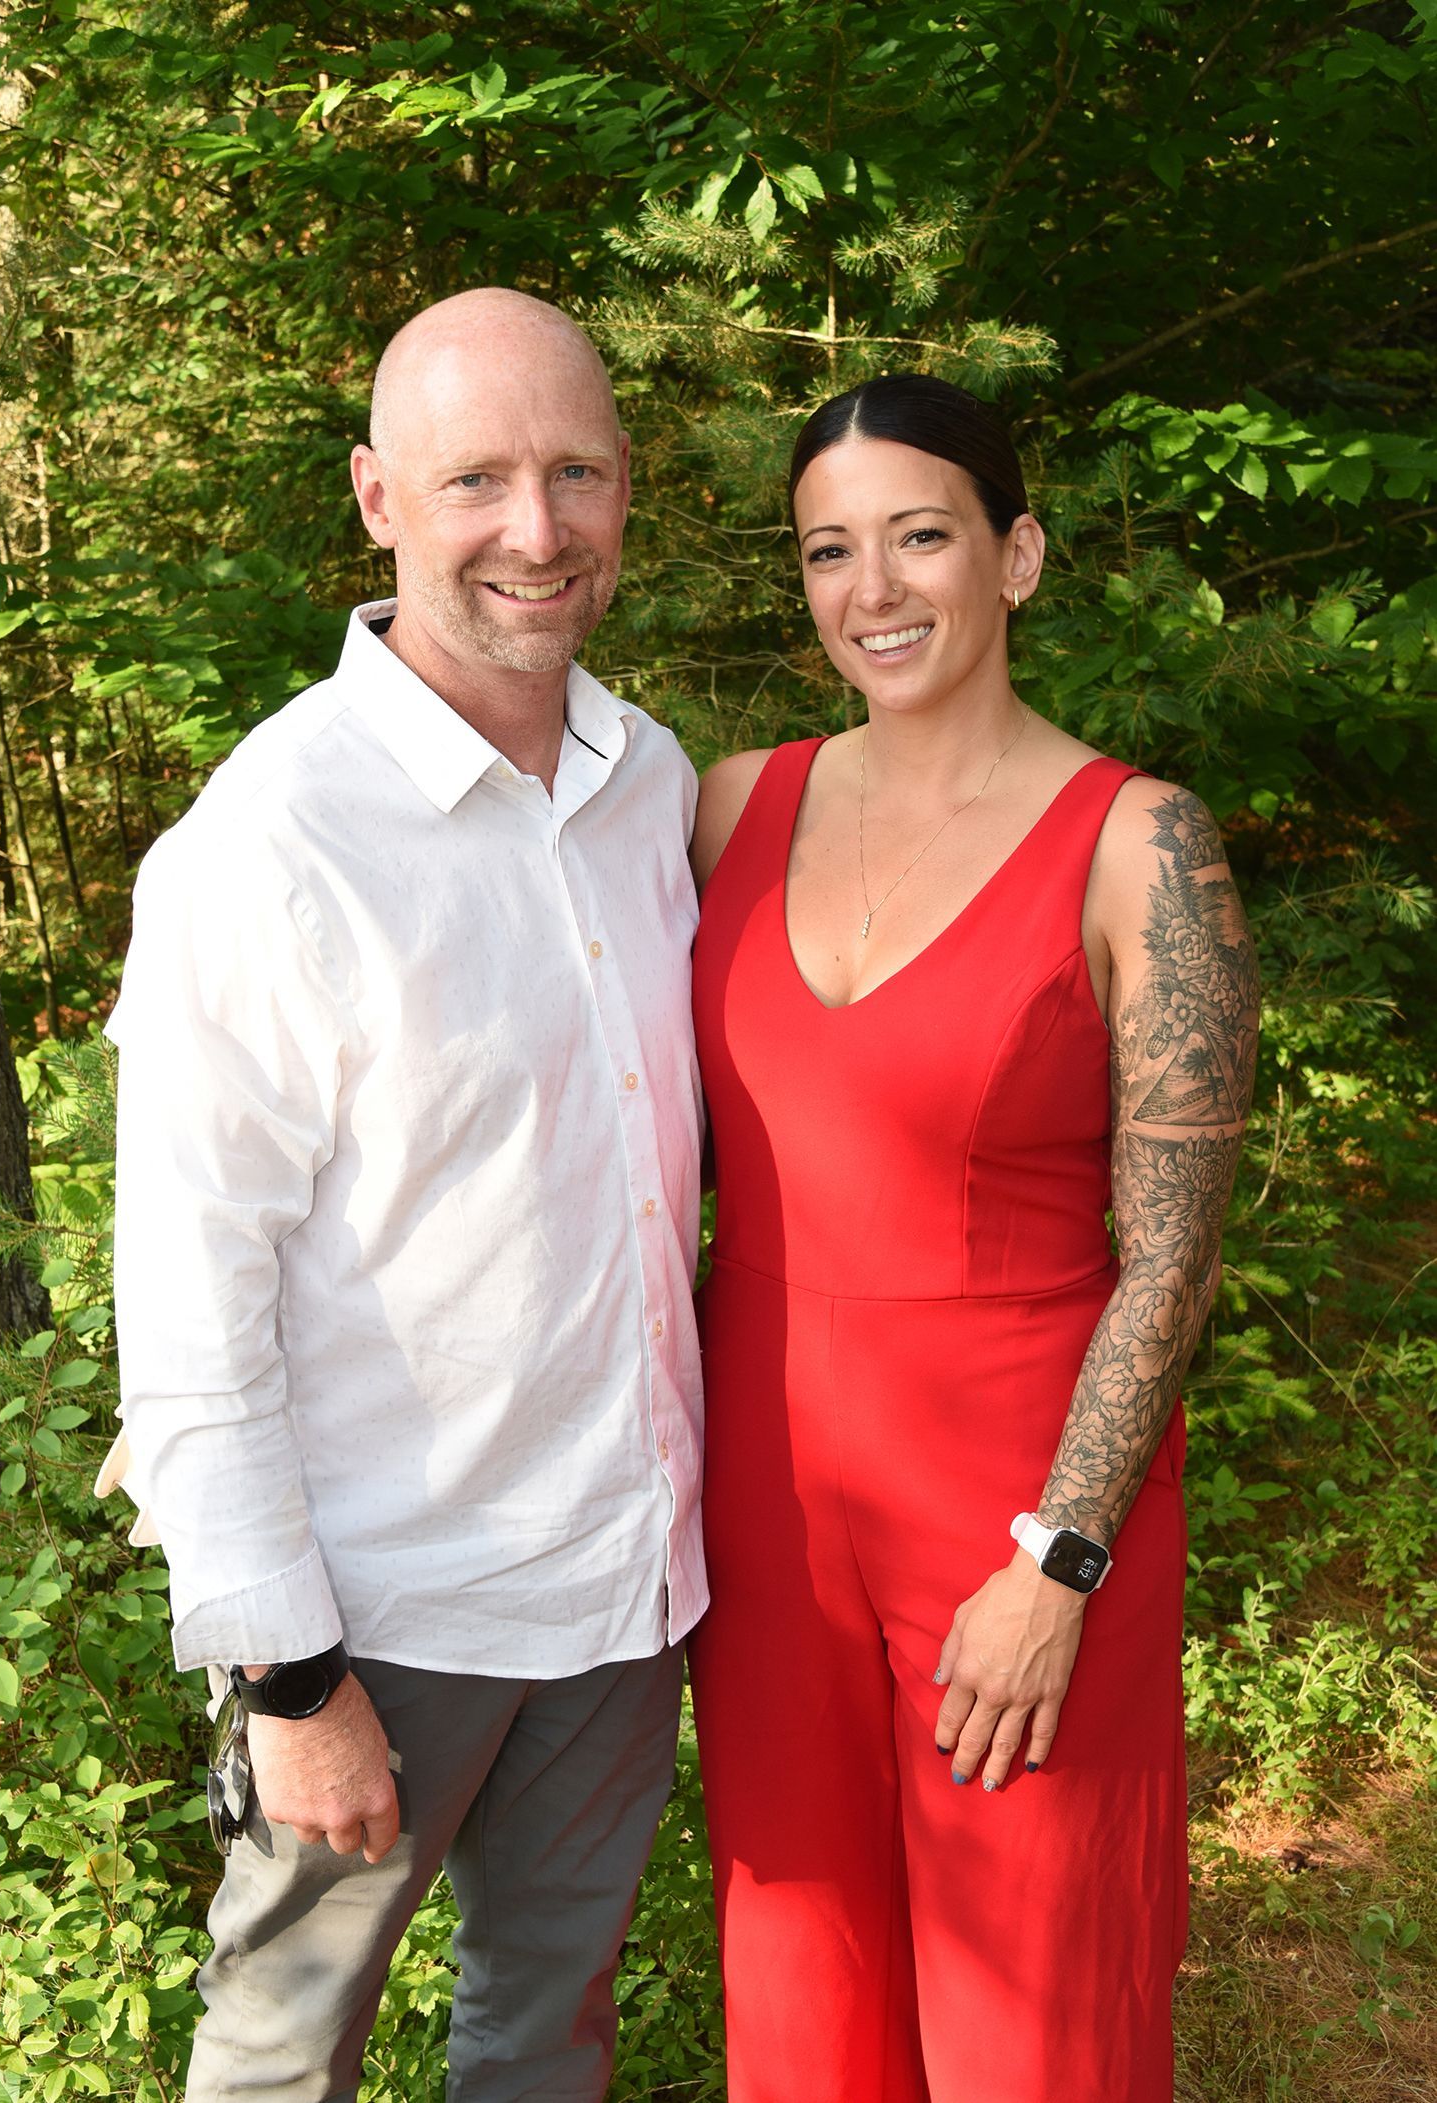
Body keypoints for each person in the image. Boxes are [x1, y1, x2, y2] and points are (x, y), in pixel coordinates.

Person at [101, 288, 705, 2103]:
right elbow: (191, 1295)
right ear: (377, 497)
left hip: (620, 1580)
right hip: (383, 1614)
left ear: (624, 488)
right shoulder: (267, 846)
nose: (537, 529)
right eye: (477, 481)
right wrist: (288, 1680)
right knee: (284, 2053)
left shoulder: (648, 780)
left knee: (547, 2034)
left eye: (576, 472)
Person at [687, 374, 1259, 2102]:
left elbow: (1173, 1256)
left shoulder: (1139, 845)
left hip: (1016, 1514)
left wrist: (1060, 1560)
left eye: (921, 535)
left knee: (1036, 2032)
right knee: (804, 2005)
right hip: (764, 1509)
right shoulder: (728, 807)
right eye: (829, 551)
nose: (876, 589)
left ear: (1014, 555)